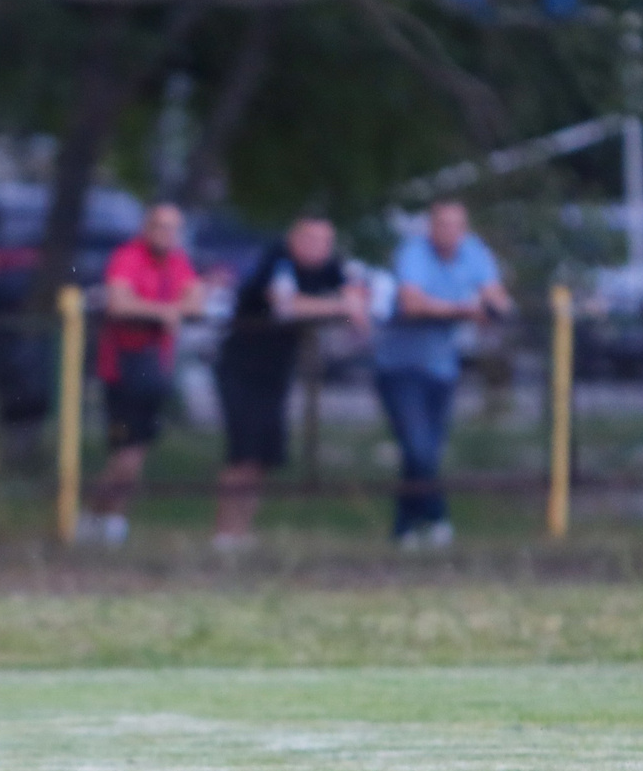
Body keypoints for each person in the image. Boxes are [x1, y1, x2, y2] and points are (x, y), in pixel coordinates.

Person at [213, 216, 367, 549]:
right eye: (311, 239)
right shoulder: (277, 260)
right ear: (294, 239)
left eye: (326, 241)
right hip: (241, 367)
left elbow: (356, 293)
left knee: (263, 455)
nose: (319, 247)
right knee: (242, 451)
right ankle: (225, 531)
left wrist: (354, 301)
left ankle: (242, 530)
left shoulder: (327, 265)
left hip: (276, 371)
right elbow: (286, 305)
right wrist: (341, 306)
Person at [379, 199, 512, 549]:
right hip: (400, 367)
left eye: (456, 225)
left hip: (441, 368)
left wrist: (493, 308)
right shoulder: (414, 253)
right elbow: (412, 302)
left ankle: (405, 528)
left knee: (425, 453)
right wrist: (468, 310)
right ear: (430, 227)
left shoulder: (474, 252)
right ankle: (437, 517)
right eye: (442, 224)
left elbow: (498, 299)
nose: (449, 232)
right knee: (418, 448)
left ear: (464, 228)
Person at [85, 202, 204, 545]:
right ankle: (103, 517)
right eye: (160, 227)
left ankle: (106, 519)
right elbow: (119, 303)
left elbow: (195, 301)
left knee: (135, 452)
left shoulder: (177, 262)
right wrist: (165, 311)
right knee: (126, 452)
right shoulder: (129, 257)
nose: (168, 235)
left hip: (154, 369)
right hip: (122, 368)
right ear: (146, 228)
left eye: (174, 228)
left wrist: (163, 310)